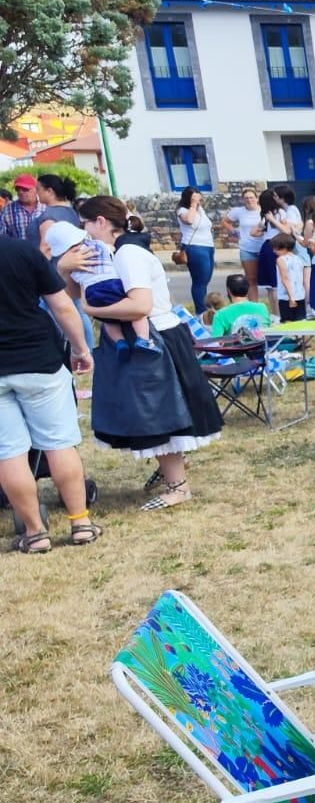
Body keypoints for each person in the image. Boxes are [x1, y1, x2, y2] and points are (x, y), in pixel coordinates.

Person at [79, 195, 222, 511]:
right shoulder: (128, 249)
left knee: (157, 416)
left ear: (101, 222)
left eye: (86, 223)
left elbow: (140, 305)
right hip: (160, 335)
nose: (85, 231)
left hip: (156, 340)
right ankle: (173, 475)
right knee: (159, 414)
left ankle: (178, 487)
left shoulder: (128, 254)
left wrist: (92, 308)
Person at [0, 227, 98, 552]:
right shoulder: (24, 252)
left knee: (8, 453)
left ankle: (35, 532)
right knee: (60, 444)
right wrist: (81, 348)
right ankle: (80, 522)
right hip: (39, 359)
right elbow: (63, 307)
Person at [46, 220, 157, 356]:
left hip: (91, 292)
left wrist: (63, 270)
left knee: (108, 320)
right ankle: (143, 339)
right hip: (111, 284)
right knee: (138, 317)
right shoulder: (98, 244)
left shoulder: (68, 259)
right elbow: (110, 255)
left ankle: (119, 342)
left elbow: (73, 289)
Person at [175, 187, 215, 314]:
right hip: (195, 247)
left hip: (208, 246)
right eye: (195, 197)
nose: (199, 199)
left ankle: (204, 306)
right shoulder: (182, 210)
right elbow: (189, 220)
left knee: (206, 279)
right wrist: (193, 204)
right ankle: (201, 311)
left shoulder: (200, 210)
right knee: (200, 281)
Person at [225, 188, 266, 298]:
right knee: (251, 279)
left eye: (251, 197)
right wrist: (234, 232)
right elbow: (225, 221)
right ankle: (253, 306)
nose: (249, 200)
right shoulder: (238, 211)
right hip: (247, 248)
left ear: (257, 199)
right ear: (243, 200)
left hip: (264, 248)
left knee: (269, 280)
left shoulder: (264, 210)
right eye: (246, 198)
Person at [271, 233, 308, 322]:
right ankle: (300, 336)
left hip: (286, 297)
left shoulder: (281, 259)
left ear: (284, 247)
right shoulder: (299, 258)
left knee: (287, 322)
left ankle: (291, 336)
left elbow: (285, 278)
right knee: (300, 321)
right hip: (300, 295)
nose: (273, 250)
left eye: (275, 248)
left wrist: (291, 297)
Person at [35, 174, 80, 244]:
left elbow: (46, 247)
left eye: (38, 189)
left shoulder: (50, 217)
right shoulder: (72, 212)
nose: (36, 192)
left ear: (49, 191)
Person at [0, 174, 43, 241]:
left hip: (43, 250)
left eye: (25, 189)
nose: (21, 192)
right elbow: (2, 237)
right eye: (17, 189)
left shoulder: (46, 207)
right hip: (17, 250)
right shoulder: (7, 211)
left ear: (36, 189)